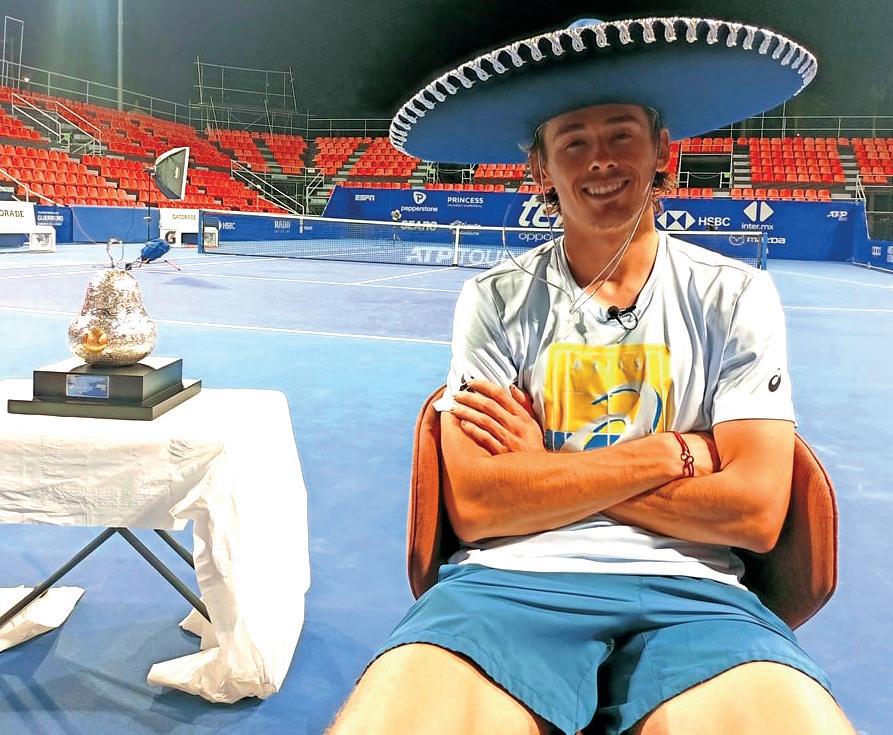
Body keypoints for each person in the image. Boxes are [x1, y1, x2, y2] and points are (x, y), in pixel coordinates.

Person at [328, 17, 855, 735]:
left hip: (695, 594)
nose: (600, 158)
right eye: (573, 141)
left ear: (662, 151)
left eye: (621, 134)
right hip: (507, 585)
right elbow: (477, 507)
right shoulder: (494, 300)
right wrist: (668, 454)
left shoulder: (735, 295)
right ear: (540, 169)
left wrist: (545, 474)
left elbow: (756, 514)